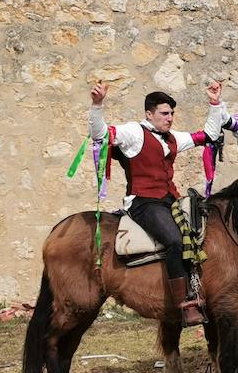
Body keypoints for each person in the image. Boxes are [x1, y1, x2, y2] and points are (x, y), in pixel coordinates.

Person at [89, 80, 225, 326]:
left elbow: (209, 135)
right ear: (149, 114)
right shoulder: (134, 132)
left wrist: (215, 103)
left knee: (198, 232)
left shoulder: (172, 138)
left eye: (172, 113)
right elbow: (100, 134)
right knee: (174, 240)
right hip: (143, 202)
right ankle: (183, 304)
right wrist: (97, 105)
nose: (170, 118)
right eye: (164, 113)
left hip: (169, 200)